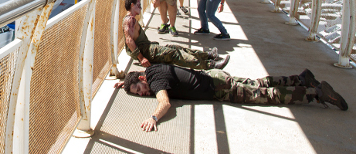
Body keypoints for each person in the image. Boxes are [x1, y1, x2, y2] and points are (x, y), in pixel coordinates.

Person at [115, 64, 348, 132]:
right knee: (259, 83)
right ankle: (301, 77)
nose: (143, 94)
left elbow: (164, 102)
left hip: (219, 90)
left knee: (265, 96)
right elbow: (139, 77)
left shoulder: (155, 83)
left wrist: (154, 118)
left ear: (143, 80)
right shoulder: (153, 70)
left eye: (139, 90)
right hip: (214, 76)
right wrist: (125, 82)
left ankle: (314, 95)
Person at [123, 0, 229, 70]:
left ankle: (208, 55)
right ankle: (210, 65)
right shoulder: (129, 20)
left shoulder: (131, 19)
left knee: (176, 48)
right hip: (146, 50)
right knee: (174, 54)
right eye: (139, 5)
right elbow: (129, 41)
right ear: (132, 5)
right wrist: (141, 58)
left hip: (148, 47)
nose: (141, 8)